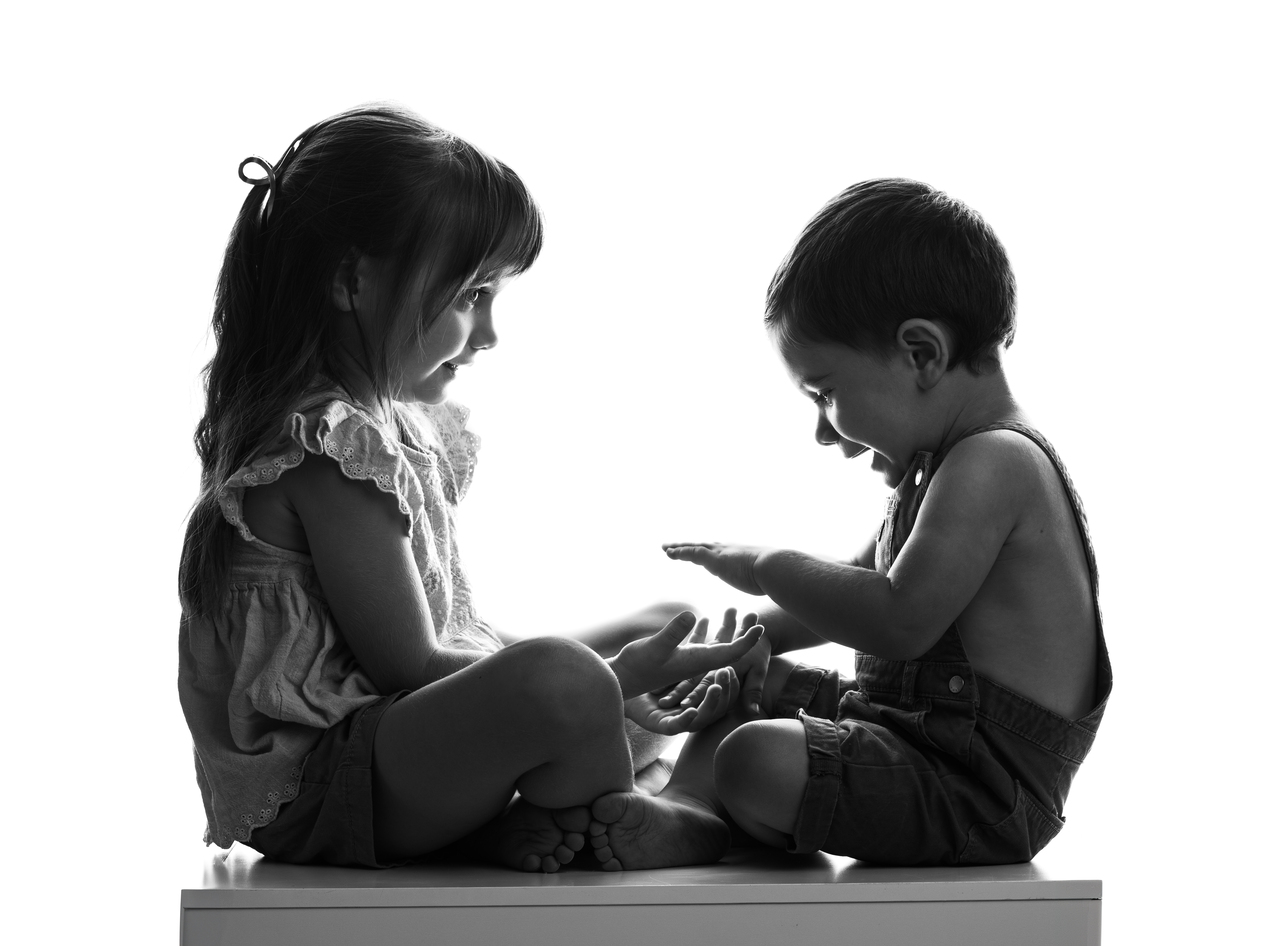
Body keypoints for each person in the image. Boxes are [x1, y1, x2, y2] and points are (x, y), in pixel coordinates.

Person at [177, 104, 764, 872]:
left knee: (658, 623)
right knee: (570, 683)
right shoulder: (326, 449)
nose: (486, 333)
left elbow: (459, 632)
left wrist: (615, 674)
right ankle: (656, 823)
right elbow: (409, 665)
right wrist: (610, 684)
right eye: (469, 296)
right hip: (326, 787)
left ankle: (525, 821)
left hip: (389, 754)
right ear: (352, 280)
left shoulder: (391, 428)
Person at [587, 179, 1112, 869]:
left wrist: (767, 566)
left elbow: (897, 621)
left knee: (755, 753)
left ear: (920, 354)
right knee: (749, 688)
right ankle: (690, 812)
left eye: (826, 393)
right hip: (913, 738)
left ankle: (716, 812)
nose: (822, 432)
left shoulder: (995, 461)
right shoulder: (944, 465)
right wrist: (751, 644)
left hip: (981, 793)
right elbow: (858, 586)